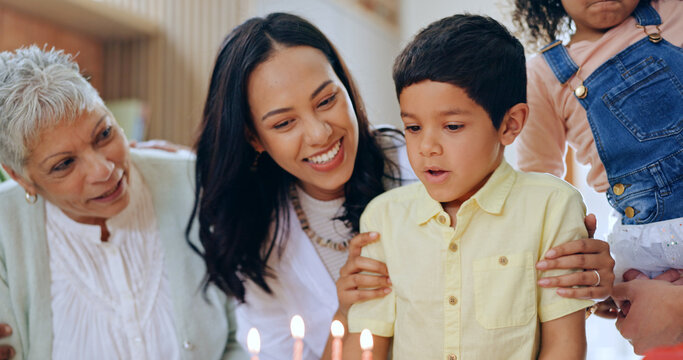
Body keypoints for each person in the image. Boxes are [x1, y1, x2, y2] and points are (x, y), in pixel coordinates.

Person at [190, 13, 616, 360]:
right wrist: (346, 311)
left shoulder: (440, 167)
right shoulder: (260, 233)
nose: (320, 133)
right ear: (253, 137)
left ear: (346, 85)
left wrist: (595, 278)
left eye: (326, 100)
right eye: (284, 123)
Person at [343, 14, 593, 360]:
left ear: (509, 125)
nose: (427, 146)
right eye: (413, 128)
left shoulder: (551, 207)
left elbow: (564, 345)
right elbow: (367, 344)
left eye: (453, 126)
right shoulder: (383, 219)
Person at [0, 46, 247, 360]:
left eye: (104, 133)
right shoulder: (4, 232)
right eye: (64, 164)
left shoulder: (191, 182)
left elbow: (243, 335)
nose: (104, 170)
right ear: (20, 178)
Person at [512, 0, 682, 353]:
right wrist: (581, 270)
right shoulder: (543, 74)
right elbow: (539, 190)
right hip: (646, 258)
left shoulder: (674, 12)